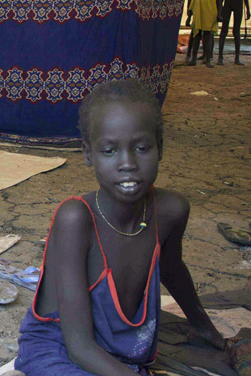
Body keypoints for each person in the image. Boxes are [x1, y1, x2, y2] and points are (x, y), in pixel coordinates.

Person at [15, 79, 224, 375]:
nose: (127, 163)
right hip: (60, 352)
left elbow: (172, 269)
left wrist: (202, 324)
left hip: (124, 353)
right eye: (109, 151)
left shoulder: (171, 211)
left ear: (160, 147)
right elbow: (80, 348)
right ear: (88, 153)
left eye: (141, 147)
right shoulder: (76, 219)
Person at [186, 0, 221, 67]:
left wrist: (219, 14)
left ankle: (208, 59)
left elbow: (218, 0)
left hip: (209, 14)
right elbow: (192, 0)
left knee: (207, 37)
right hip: (198, 15)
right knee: (196, 36)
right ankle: (193, 59)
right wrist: (189, 15)